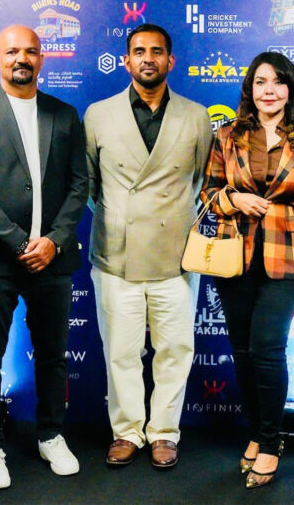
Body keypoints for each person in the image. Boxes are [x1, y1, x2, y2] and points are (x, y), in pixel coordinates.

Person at [0, 25, 89, 489]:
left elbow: (79, 185)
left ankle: (51, 434)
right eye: (12, 51)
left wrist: (53, 240)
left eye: (30, 51)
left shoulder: (64, 114)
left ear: (41, 59)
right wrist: (19, 243)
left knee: (53, 355)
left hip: (53, 258)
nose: (22, 58)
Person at [83, 24, 213, 470]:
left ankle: (164, 433)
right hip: (116, 255)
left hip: (175, 256)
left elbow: (200, 181)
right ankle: (126, 431)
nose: (148, 58)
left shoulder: (196, 116)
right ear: (126, 61)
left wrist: (172, 222)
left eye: (157, 51)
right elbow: (90, 186)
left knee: (175, 351)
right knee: (121, 351)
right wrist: (120, 218)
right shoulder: (98, 114)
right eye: (139, 51)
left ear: (170, 61)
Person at [200, 51, 294, 489]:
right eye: (260, 82)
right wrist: (233, 199)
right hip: (233, 258)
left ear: (290, 88)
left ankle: (272, 443)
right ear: (250, 89)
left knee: (267, 349)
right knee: (241, 350)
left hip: (287, 258)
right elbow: (207, 193)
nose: (268, 90)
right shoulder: (227, 135)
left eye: (277, 82)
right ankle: (257, 433)